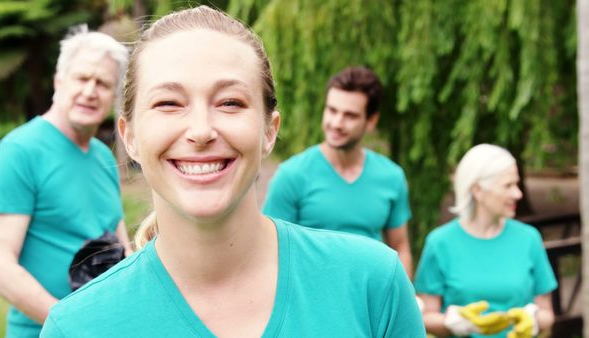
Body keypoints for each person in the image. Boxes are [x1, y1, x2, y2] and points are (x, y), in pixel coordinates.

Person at [40, 6, 425, 337]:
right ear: (130, 137)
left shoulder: (374, 284)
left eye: (229, 102)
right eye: (169, 103)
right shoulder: (77, 327)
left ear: (269, 130)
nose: (202, 131)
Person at [0, 27, 131, 337]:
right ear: (59, 81)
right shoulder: (19, 152)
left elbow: (121, 247)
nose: (90, 91)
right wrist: (71, 326)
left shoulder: (104, 157)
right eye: (81, 78)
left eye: (103, 84)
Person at [262, 66, 414, 278]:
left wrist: (402, 300)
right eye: (332, 110)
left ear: (370, 121)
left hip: (373, 301)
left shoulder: (392, 177)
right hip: (314, 300)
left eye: (349, 115)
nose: (336, 123)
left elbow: (401, 247)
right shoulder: (291, 175)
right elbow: (270, 253)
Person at [414, 144, 557, 338]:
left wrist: (532, 320)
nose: (518, 194)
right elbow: (426, 317)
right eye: (508, 186)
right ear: (477, 190)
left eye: (517, 184)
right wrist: (454, 322)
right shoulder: (440, 243)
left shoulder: (529, 238)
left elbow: (547, 313)